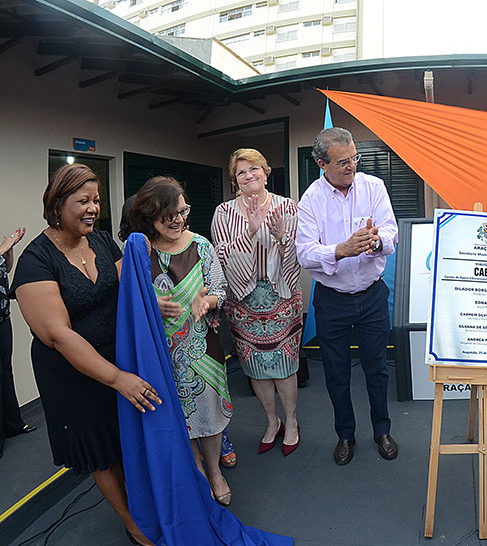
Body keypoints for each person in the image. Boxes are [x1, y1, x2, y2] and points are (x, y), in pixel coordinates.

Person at [11, 164, 162, 546]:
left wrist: (155, 302)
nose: (93, 208)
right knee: (100, 451)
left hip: (117, 357)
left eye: (96, 200)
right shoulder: (36, 261)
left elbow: (125, 289)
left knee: (124, 437)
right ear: (58, 204)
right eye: (83, 201)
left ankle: (146, 501)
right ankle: (132, 521)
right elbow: (58, 335)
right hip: (72, 376)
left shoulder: (101, 242)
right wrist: (116, 378)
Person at [296, 127, 399, 465]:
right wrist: (340, 250)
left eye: (355, 158)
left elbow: (391, 232)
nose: (352, 166)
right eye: (342, 162)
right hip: (332, 299)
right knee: (336, 372)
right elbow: (305, 254)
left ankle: (381, 429)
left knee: (377, 369)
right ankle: (345, 434)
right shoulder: (310, 200)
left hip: (371, 295)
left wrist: (377, 241)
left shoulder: (374, 187)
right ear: (321, 163)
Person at [128, 176, 233, 505]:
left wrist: (207, 302)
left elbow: (221, 291)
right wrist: (148, 300)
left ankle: (214, 471)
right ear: (149, 216)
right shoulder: (140, 250)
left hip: (204, 345)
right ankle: (197, 471)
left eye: (182, 212)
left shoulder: (202, 245)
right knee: (178, 414)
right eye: (167, 215)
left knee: (211, 413)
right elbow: (127, 294)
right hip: (161, 351)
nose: (177, 220)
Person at [212, 149, 303, 457]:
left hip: (281, 297)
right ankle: (271, 420)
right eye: (241, 172)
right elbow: (220, 257)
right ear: (234, 179)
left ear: (265, 171)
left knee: (285, 364)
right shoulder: (224, 213)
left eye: (254, 169)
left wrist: (281, 237)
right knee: (255, 366)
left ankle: (291, 421)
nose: (248, 175)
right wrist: (250, 231)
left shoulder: (287, 206)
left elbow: (297, 254)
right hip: (244, 300)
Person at [0, 226, 33, 458]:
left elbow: (6, 269)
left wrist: (8, 250)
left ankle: (13, 424)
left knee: (5, 371)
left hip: (3, 317)